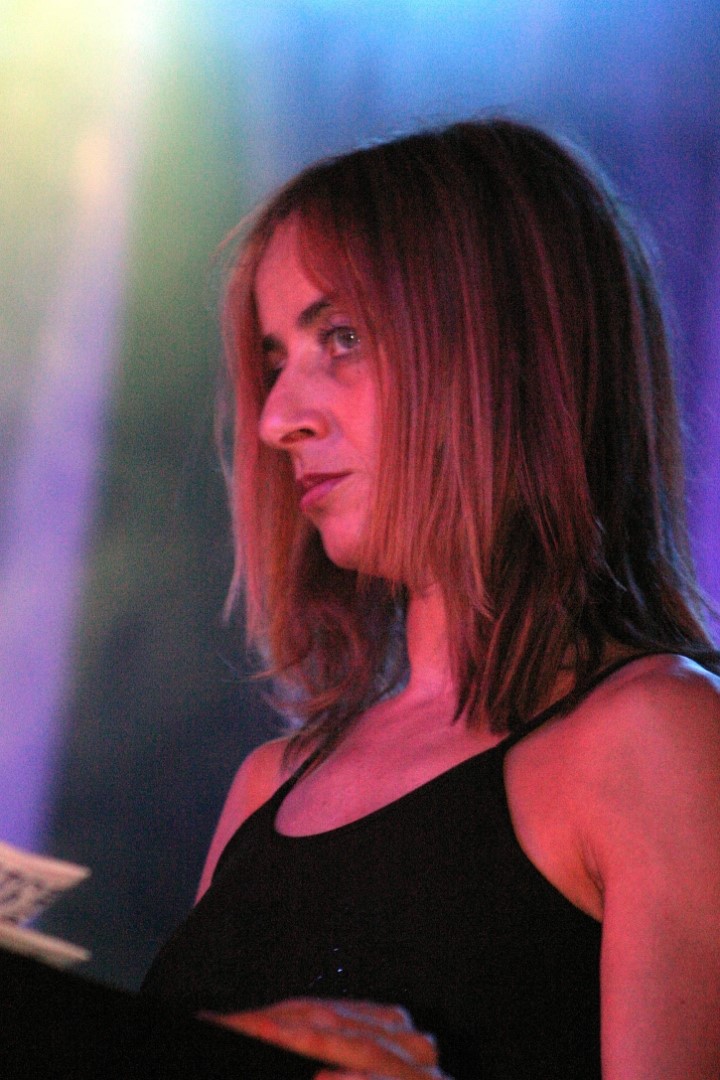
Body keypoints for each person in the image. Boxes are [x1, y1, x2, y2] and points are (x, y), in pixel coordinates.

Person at [142, 118, 720, 1079]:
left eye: (342, 337)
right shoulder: (266, 785)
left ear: (505, 352)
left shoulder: (657, 739)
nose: (278, 419)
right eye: (277, 361)